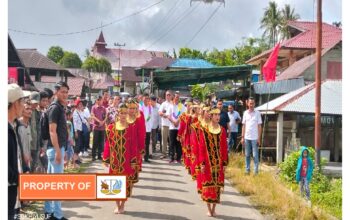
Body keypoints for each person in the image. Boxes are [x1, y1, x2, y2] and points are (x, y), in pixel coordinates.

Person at [103, 103, 137, 214]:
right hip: (114, 161)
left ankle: (122, 204)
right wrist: (106, 158)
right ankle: (117, 205)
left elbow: (133, 145)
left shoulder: (130, 128)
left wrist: (133, 160)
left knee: (125, 183)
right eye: (121, 113)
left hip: (126, 161)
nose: (123, 115)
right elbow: (108, 143)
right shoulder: (111, 128)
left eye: (125, 113)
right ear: (118, 113)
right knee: (115, 183)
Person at [44, 81, 69, 220]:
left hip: (55, 149)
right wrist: (59, 151)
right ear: (56, 92)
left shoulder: (59, 107)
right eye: (62, 91)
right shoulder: (55, 108)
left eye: (66, 92)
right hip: (55, 149)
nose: (65, 94)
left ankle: (49, 212)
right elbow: (52, 131)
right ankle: (57, 215)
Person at [198, 107, 228, 217]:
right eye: (215, 115)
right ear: (211, 116)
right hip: (207, 163)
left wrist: (225, 163)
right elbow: (201, 147)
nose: (217, 117)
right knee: (207, 186)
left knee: (216, 187)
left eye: (218, 115)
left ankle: (214, 208)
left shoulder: (223, 130)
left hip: (218, 164)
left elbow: (224, 147)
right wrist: (202, 163)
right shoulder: (204, 130)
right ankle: (208, 208)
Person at [8, 84, 30, 219]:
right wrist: (21, 180)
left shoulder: (13, 125)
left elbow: (16, 158)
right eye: (22, 101)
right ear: (15, 103)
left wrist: (25, 169)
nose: (24, 105)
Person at [241, 97, 262, 175]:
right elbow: (243, 125)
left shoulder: (257, 113)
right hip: (246, 137)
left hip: (255, 138)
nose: (251, 105)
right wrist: (242, 137)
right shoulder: (245, 113)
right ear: (247, 104)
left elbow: (259, 126)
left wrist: (259, 138)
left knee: (255, 155)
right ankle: (247, 170)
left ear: (254, 104)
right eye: (250, 103)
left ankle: (256, 171)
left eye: (253, 103)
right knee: (247, 155)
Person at [168, 91, 186, 163]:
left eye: (178, 97)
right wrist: (173, 122)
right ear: (173, 97)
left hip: (179, 128)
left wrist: (177, 122)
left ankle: (178, 158)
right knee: (171, 143)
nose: (177, 98)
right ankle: (171, 157)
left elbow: (183, 115)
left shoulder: (181, 106)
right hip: (172, 127)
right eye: (176, 97)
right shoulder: (170, 106)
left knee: (178, 143)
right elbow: (169, 116)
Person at [91, 96, 107, 161]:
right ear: (97, 101)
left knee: (101, 142)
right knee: (95, 142)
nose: (101, 102)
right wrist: (99, 121)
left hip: (102, 127)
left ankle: (99, 156)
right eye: (99, 100)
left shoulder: (104, 108)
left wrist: (103, 122)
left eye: (101, 100)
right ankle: (93, 155)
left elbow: (106, 116)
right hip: (96, 127)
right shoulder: (94, 107)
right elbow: (92, 116)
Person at [158, 90, 173, 159]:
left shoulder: (173, 104)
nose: (168, 96)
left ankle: (171, 153)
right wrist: (165, 114)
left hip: (172, 125)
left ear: (171, 96)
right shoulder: (163, 104)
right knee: (164, 140)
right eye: (167, 95)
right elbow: (159, 113)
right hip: (164, 124)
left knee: (171, 140)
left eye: (169, 95)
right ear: (165, 96)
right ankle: (164, 153)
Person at [139, 93, 152, 162]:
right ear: (143, 99)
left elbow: (150, 116)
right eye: (145, 98)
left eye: (147, 98)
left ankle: (146, 158)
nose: (146, 100)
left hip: (148, 128)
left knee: (147, 144)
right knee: (141, 143)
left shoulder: (150, 107)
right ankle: (140, 157)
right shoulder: (140, 106)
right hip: (141, 128)